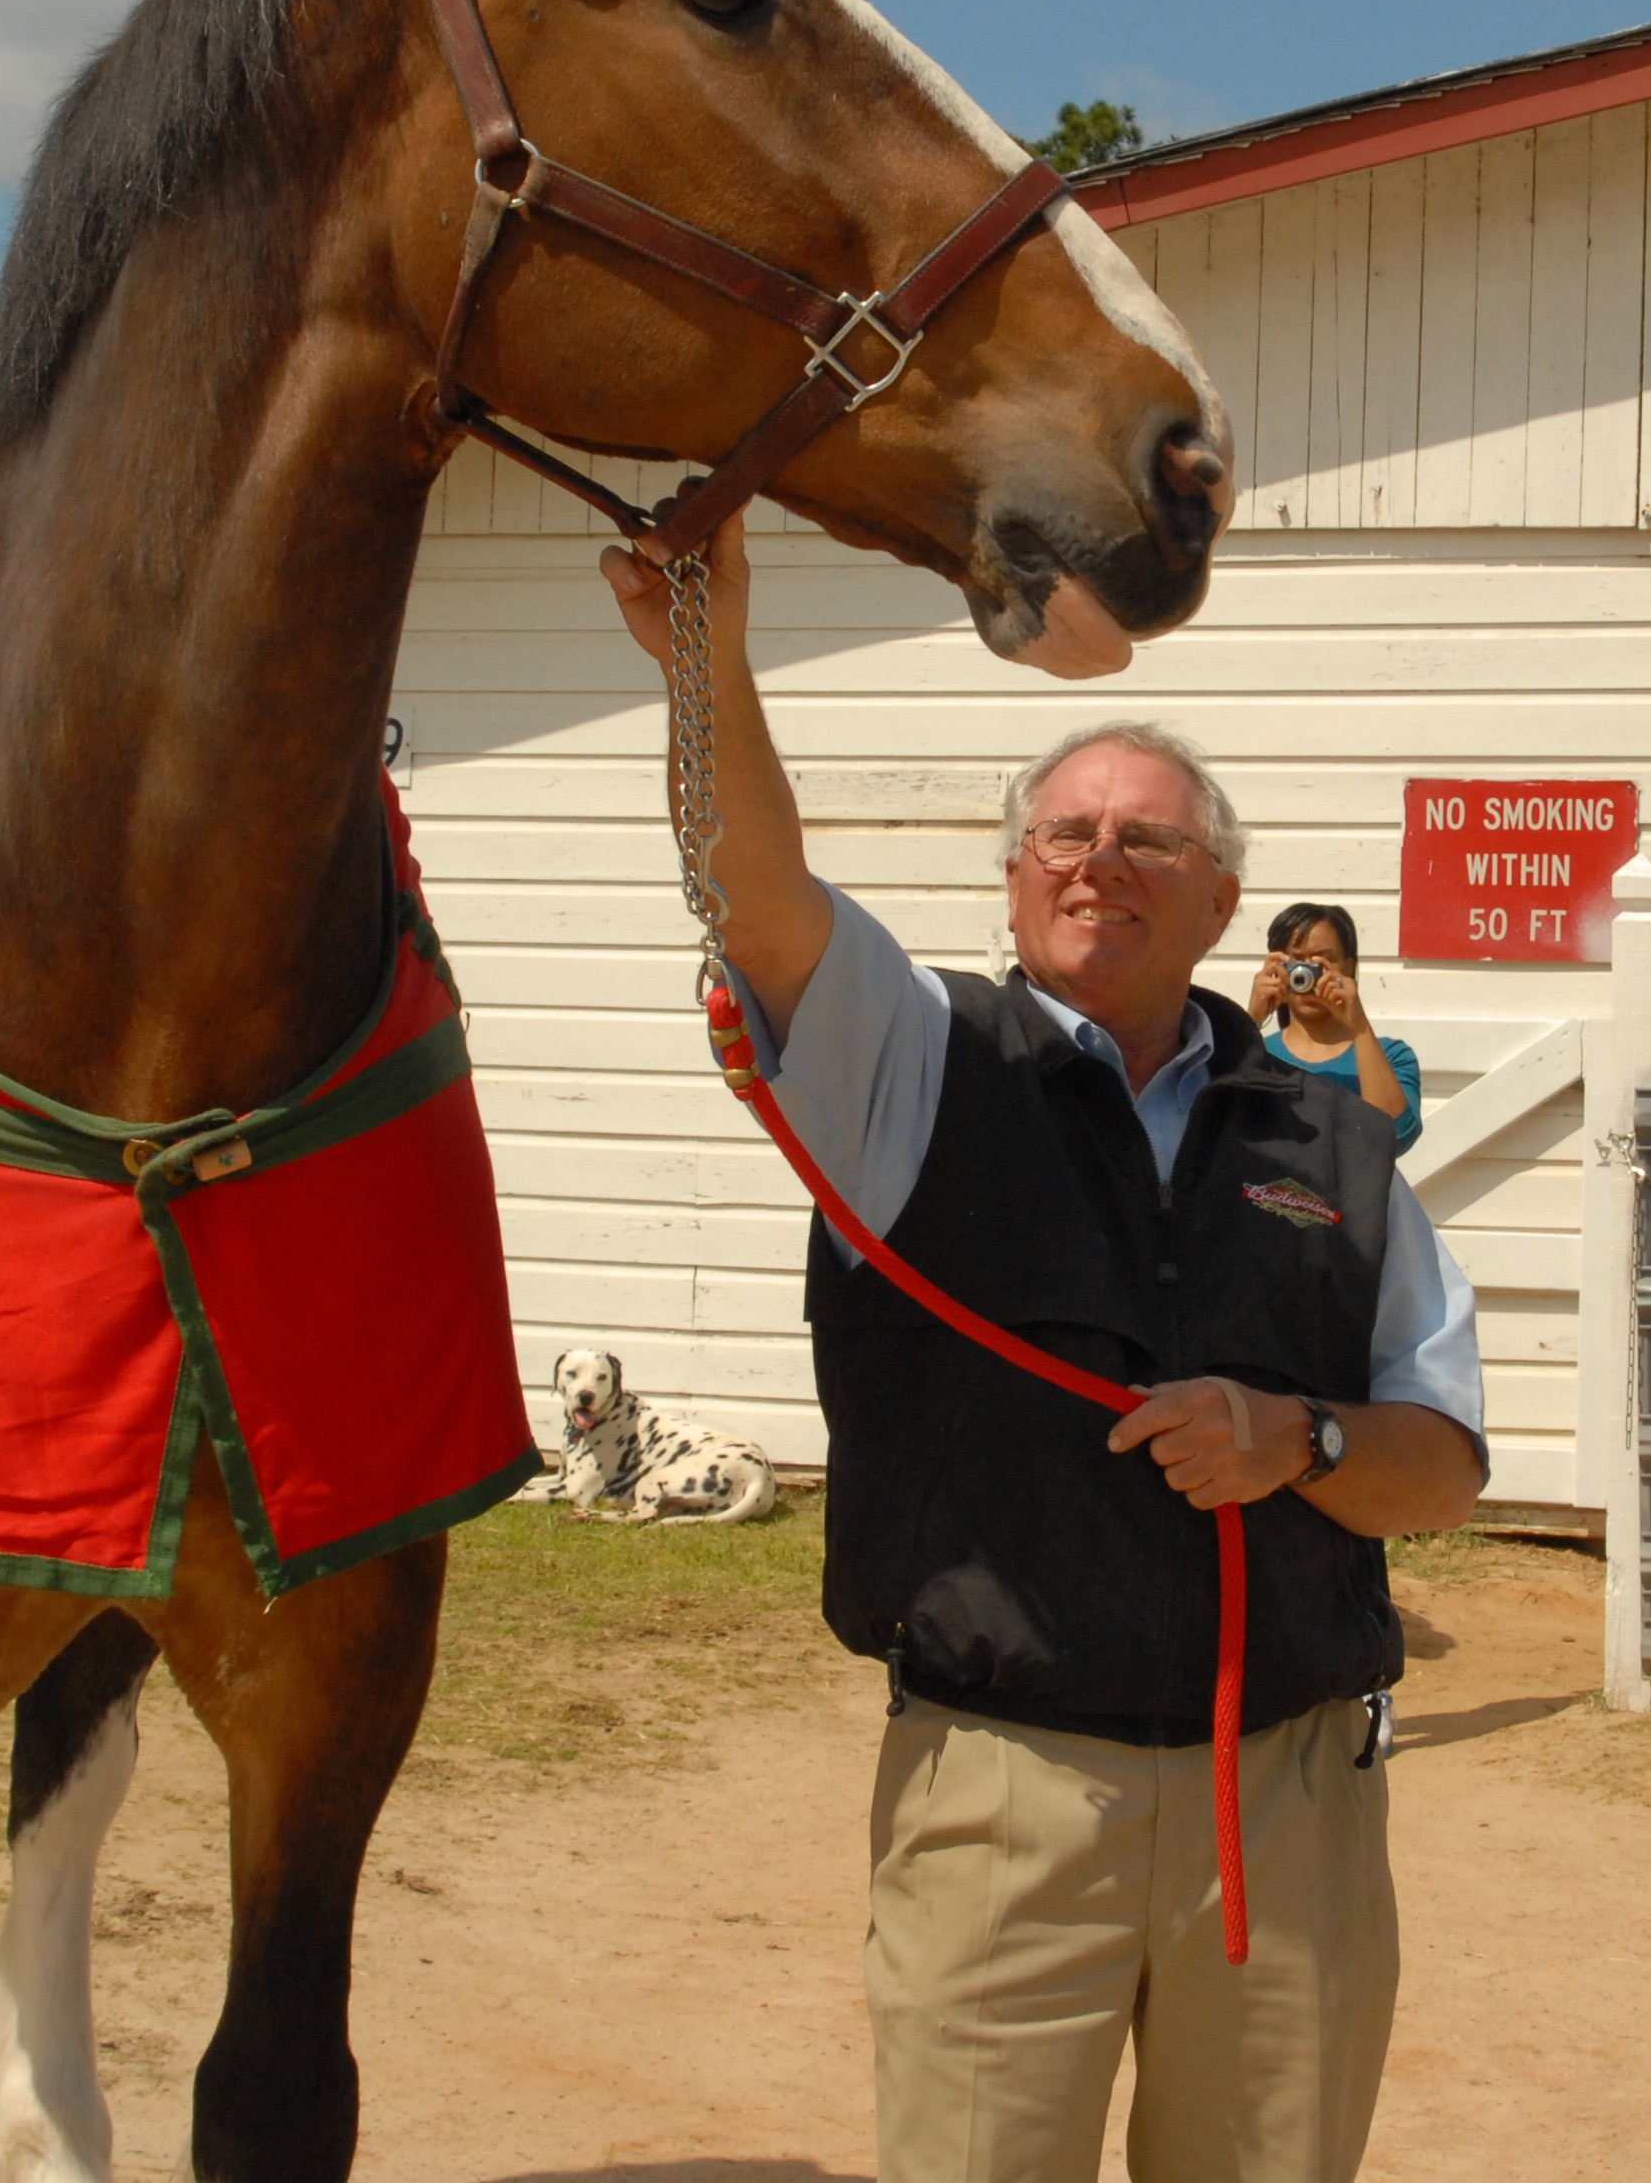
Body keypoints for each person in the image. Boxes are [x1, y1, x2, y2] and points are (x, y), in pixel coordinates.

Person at [600, 517, 1487, 2183]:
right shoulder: (909, 1065)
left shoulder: (1342, 1150)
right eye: (1064, 834)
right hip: (1003, 1796)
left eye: (1148, 841)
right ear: (1013, 880)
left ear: (1223, 894)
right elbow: (757, 890)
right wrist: (704, 656)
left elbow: (1437, 1467)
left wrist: (1297, 1440)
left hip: (1285, 1811)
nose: (1098, 861)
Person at [1249, 902, 1421, 1155]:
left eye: (1323, 961)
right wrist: (1250, 1019)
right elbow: (1210, 1121)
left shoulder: (1391, 1056)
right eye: (1296, 962)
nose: (1307, 975)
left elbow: (1396, 1135)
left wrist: (1359, 1025)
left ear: (1348, 967)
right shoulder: (1255, 1055)